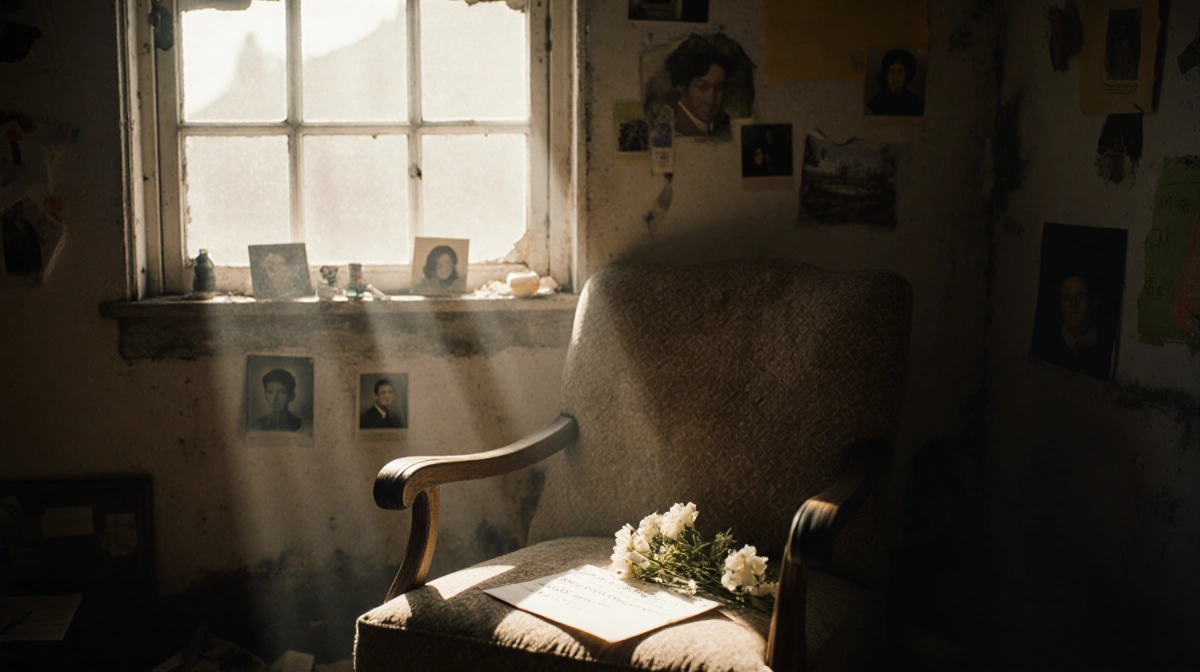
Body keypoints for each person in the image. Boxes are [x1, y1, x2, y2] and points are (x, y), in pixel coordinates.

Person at [1030, 272, 1115, 379]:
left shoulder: (1106, 345)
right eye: (1066, 297)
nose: (1073, 305)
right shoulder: (1045, 341)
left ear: (1094, 301)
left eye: (1081, 297)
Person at [665, 35, 730, 138]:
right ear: (682, 88)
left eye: (719, 88)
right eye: (703, 87)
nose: (711, 100)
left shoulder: (724, 124)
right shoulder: (672, 126)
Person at [866, 48, 925, 117]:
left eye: (900, 72)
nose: (895, 77)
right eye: (891, 71)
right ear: (886, 74)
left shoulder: (916, 104)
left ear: (907, 74)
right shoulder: (874, 105)